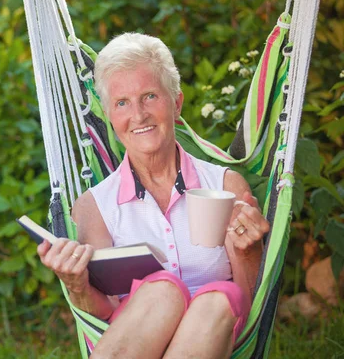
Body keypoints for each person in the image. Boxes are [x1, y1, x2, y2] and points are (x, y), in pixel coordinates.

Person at [37, 33, 270, 359]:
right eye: (122, 103)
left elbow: (251, 300)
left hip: (214, 328)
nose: (138, 115)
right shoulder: (94, 207)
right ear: (110, 115)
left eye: (149, 96)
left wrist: (250, 251)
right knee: (161, 291)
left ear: (176, 104)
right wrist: (77, 285)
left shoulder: (225, 187)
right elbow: (104, 310)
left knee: (216, 298)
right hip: (135, 338)